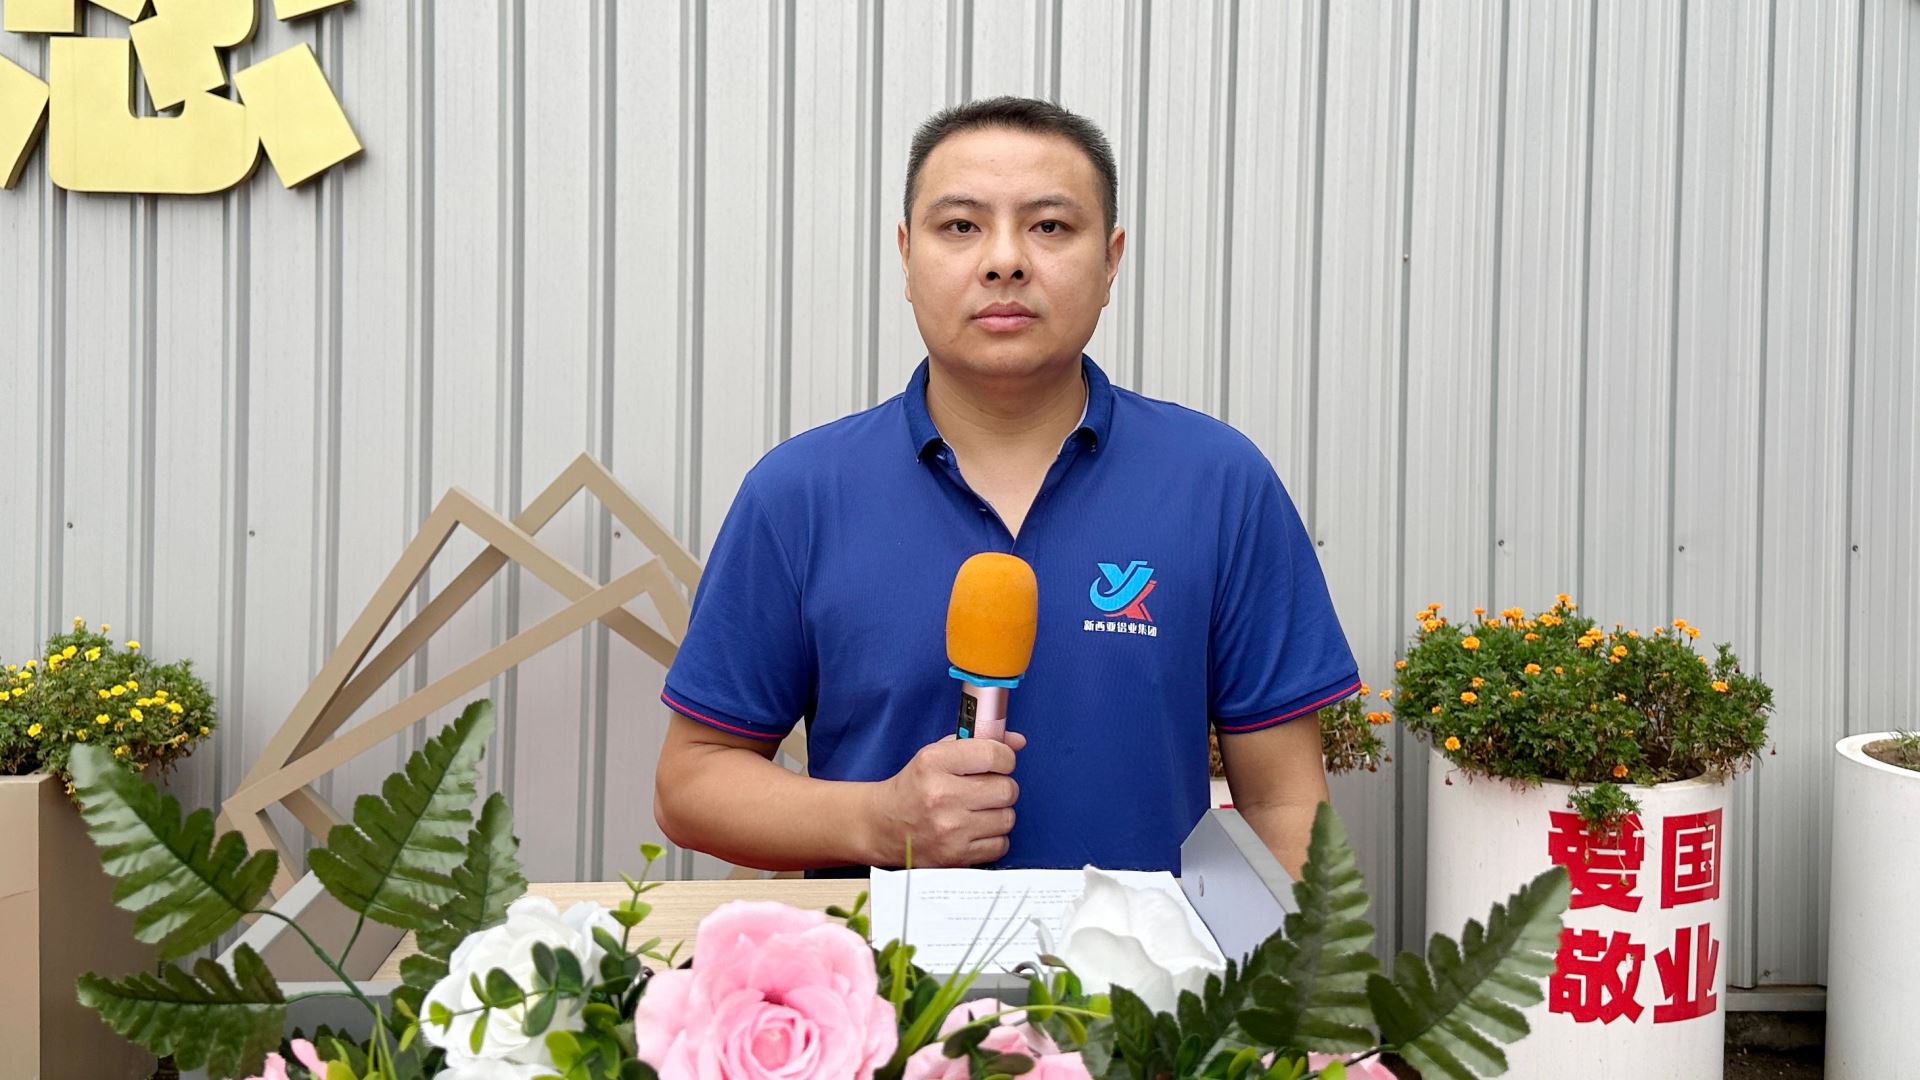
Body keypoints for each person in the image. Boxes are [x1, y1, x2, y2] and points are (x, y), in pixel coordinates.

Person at [654, 96, 1359, 878]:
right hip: (886, 959)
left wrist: (1308, 953)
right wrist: (877, 821)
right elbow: (691, 783)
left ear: (1111, 260)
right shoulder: (799, 494)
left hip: (1148, 961)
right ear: (906, 255)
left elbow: (1284, 805)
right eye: (960, 226)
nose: (1004, 261)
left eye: (1049, 226)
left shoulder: (1219, 484)